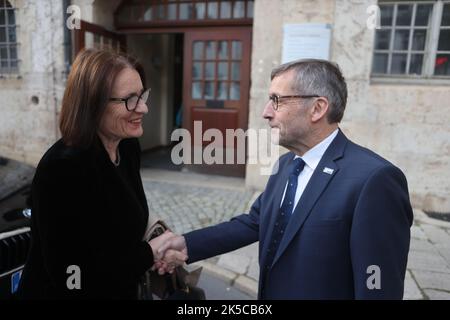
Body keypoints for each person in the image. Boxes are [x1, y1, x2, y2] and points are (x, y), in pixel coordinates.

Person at [159, 59, 413, 299]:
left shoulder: (374, 180)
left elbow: (378, 286)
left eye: (277, 100)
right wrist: (186, 244)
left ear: (317, 108)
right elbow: (255, 223)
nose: (266, 112)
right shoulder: (286, 165)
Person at [17, 49, 186, 299]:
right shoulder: (63, 168)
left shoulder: (127, 147)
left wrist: (160, 245)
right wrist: (149, 253)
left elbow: (121, 226)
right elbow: (74, 278)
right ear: (93, 105)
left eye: (142, 95)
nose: (143, 108)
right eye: (130, 99)